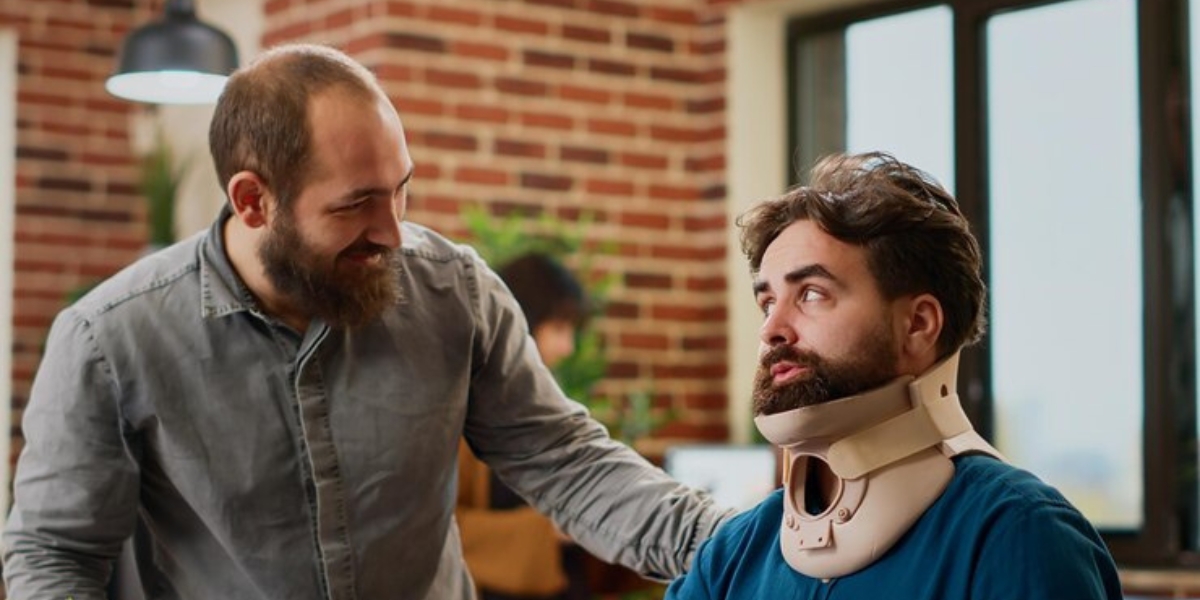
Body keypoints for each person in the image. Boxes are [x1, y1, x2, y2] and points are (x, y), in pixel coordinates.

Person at [2, 43, 732, 599]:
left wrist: (740, 547)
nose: (392, 231)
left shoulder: (457, 293)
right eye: (355, 204)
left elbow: (567, 464)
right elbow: (53, 555)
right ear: (254, 200)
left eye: (401, 191)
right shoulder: (109, 338)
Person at [665, 152, 1123, 600]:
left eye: (811, 293)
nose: (771, 330)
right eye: (768, 302)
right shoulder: (732, 556)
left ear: (918, 325)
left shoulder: (1019, 537)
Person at [457, 252, 592, 600]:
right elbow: (432, 532)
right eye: (559, 329)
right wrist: (549, 531)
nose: (567, 347)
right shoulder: (457, 410)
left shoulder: (544, 406)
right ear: (520, 324)